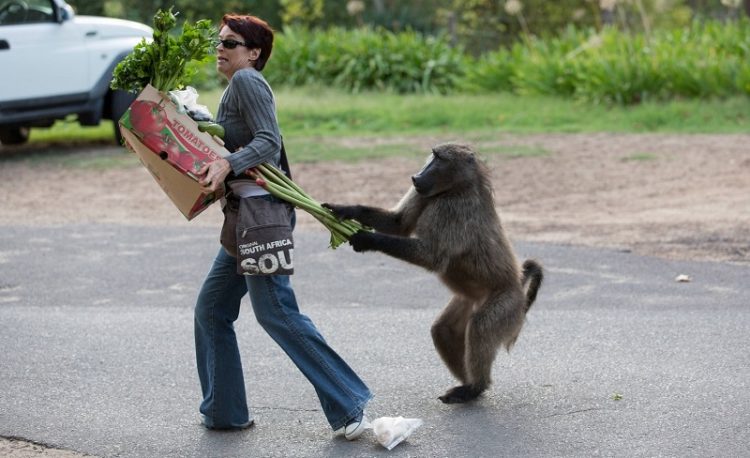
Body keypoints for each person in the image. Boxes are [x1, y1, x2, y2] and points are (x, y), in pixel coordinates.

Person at [193, 13, 372, 439]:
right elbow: (244, 138)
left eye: (230, 43)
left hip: (261, 220)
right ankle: (223, 411)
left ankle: (349, 403)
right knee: (212, 309)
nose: (220, 48)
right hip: (245, 217)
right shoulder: (235, 86)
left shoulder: (247, 81)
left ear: (253, 53)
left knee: (277, 313)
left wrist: (227, 162)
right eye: (218, 42)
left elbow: (268, 142)